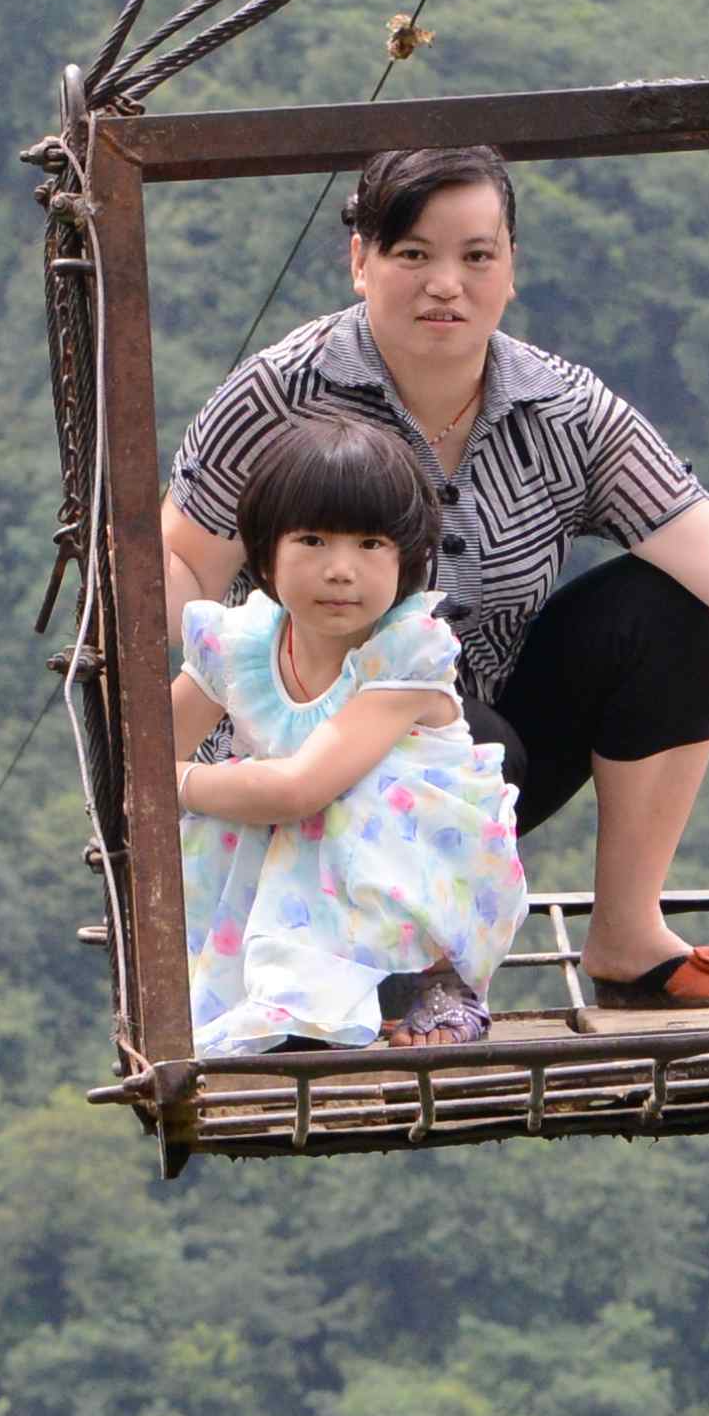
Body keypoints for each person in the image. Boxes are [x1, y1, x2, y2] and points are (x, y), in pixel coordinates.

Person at [164, 143, 709, 1010]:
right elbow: (178, 565)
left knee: (661, 607)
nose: (447, 283)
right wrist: (175, 746)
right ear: (359, 260)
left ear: (510, 268)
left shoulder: (562, 411)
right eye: (413, 254)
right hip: (291, 753)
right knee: (479, 741)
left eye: (476, 255)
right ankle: (365, 964)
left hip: (472, 769)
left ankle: (627, 931)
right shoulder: (281, 394)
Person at [171, 414, 529, 1053]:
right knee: (221, 815)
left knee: (333, 795)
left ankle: (432, 984)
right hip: (309, 868)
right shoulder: (243, 646)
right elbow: (144, 753)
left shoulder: (405, 654)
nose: (341, 570)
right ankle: (276, 995)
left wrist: (176, 783)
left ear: (408, 560)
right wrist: (167, 783)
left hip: (425, 866)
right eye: (312, 540)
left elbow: (300, 789)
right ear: (265, 552)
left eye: (370, 545)